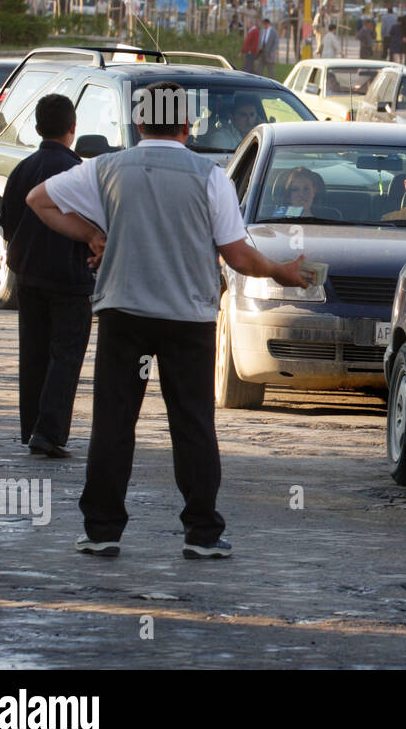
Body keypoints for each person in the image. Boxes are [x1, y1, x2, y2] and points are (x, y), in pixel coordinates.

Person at [25, 80, 312, 559]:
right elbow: (237, 255)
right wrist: (280, 271)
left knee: (114, 423)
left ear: (139, 123)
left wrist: (94, 236)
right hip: (188, 318)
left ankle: (102, 530)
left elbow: (39, 200)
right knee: (193, 424)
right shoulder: (209, 176)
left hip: (123, 313)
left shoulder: (106, 168)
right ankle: (201, 533)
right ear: (187, 124)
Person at [0, 95, 94, 459]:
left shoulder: (23, 169)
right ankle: (49, 432)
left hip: (29, 275)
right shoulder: (80, 172)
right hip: (70, 277)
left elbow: (7, 225)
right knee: (66, 355)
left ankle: (33, 427)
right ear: (73, 129)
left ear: (37, 129)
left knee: (33, 352)